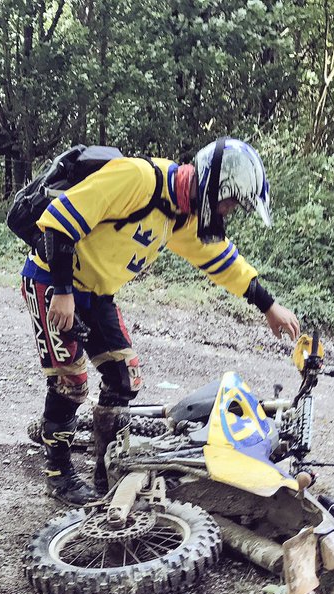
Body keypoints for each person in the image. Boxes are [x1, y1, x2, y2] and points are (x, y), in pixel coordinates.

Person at [21, 137, 301, 504]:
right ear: (214, 187)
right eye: (230, 203)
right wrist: (61, 291)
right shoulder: (137, 179)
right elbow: (58, 222)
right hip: (52, 282)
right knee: (70, 382)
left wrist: (268, 305)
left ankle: (107, 471)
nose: (229, 212)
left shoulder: (180, 213)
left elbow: (220, 259)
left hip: (96, 293)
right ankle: (58, 475)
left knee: (124, 377)